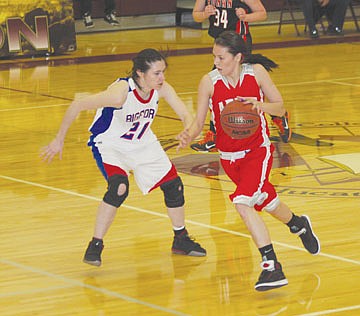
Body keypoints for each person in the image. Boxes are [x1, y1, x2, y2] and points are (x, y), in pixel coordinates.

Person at [177, 31, 320, 291]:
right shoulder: (208, 82)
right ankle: (299, 225)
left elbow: (280, 107)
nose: (216, 62)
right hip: (229, 159)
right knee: (266, 199)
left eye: (221, 57)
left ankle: (271, 265)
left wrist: (259, 105)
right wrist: (189, 132)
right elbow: (199, 121)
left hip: (258, 151)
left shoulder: (256, 73)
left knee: (243, 202)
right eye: (214, 56)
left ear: (238, 57)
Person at [41, 48, 206, 266]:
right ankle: (95, 244)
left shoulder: (162, 89)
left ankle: (181, 239)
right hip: (111, 144)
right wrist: (59, 139)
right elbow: (77, 104)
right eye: (156, 73)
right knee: (119, 187)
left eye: (163, 72)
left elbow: (186, 114)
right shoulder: (120, 93)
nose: (162, 78)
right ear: (140, 73)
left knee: (174, 186)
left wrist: (188, 131)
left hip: (143, 143)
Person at [191, 0, 291, 152]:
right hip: (221, 46)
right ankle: (278, 116)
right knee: (219, 86)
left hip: (239, 45)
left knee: (243, 84)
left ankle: (214, 133)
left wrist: (246, 17)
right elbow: (195, 15)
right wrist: (204, 14)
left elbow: (262, 13)